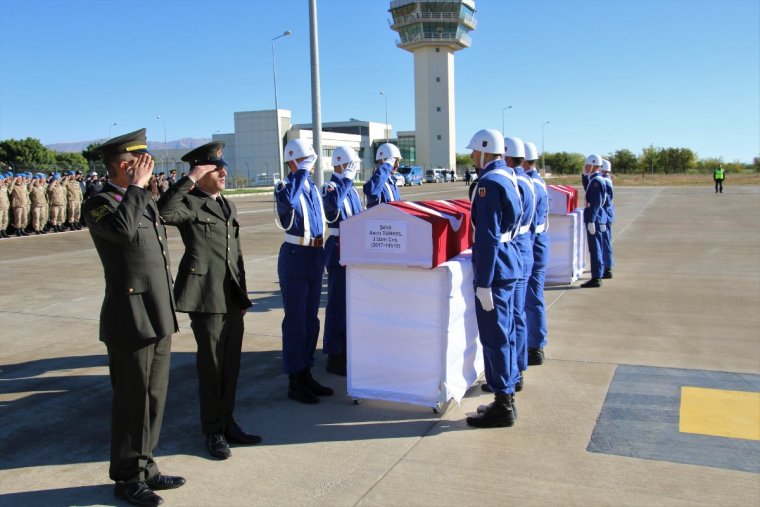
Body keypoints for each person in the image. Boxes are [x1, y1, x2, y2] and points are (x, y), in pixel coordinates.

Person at [83, 128, 184, 507]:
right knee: (132, 401)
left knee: (155, 397)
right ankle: (127, 477)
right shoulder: (99, 203)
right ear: (122, 165)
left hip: (158, 312)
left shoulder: (142, 200)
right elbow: (123, 234)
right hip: (129, 316)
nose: (147, 166)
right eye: (138, 161)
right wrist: (138, 189)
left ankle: (147, 467)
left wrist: (142, 191)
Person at [158, 141, 261, 461]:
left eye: (223, 167)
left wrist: (242, 294)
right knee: (211, 367)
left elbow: (236, 255)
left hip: (230, 297)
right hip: (205, 297)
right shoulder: (189, 202)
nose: (223, 172)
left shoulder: (226, 204)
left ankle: (228, 422)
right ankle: (212, 430)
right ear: (200, 172)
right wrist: (188, 179)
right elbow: (163, 212)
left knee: (230, 366)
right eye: (215, 168)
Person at [466, 129, 522, 428]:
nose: (473, 157)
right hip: (510, 262)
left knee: (495, 338)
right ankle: (507, 391)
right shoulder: (510, 176)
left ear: (486, 151)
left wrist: (484, 281)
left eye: (475, 152)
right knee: (507, 334)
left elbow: (487, 236)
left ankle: (503, 404)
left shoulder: (488, 183)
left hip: (496, 268)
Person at [274, 139, 332, 404]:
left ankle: (306, 371)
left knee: (311, 320)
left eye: (312, 160)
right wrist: (298, 173)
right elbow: (287, 206)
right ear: (292, 160)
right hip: (296, 256)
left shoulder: (312, 188)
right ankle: (294, 379)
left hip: (315, 255)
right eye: (306, 160)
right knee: (296, 321)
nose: (311, 165)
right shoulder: (286, 186)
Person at [321, 146, 363, 376]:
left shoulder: (351, 188)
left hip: (354, 246)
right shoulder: (331, 186)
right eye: (350, 164)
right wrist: (346, 178)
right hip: (338, 246)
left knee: (352, 303)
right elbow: (333, 208)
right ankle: (334, 355)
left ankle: (348, 349)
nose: (353, 169)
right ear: (340, 164)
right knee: (338, 304)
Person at [506, 136, 534, 391]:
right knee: (518, 313)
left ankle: (514, 373)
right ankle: (518, 368)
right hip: (524, 246)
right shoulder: (528, 181)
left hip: (515, 247)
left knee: (512, 315)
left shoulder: (514, 182)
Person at [523, 142, 550, 366]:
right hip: (539, 243)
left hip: (532, 245)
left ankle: (535, 346)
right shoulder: (537, 181)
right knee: (534, 298)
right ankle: (536, 343)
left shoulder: (529, 183)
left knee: (532, 299)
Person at [580, 153, 608, 288]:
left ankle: (596, 277)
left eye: (587, 165)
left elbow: (596, 202)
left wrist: (591, 220)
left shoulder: (596, 181)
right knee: (596, 247)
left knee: (594, 248)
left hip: (594, 217)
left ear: (592, 165)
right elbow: (587, 189)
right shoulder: (595, 179)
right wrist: (584, 175)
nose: (585, 167)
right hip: (597, 216)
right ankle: (598, 273)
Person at [363, 143, 401, 208]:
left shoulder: (392, 181)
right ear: (382, 161)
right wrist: (386, 167)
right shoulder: (375, 182)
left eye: (398, 161)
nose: (397, 165)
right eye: (394, 161)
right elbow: (372, 191)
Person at [600, 159, 615, 279]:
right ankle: (607, 264)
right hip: (608, 213)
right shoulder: (607, 179)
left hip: (604, 214)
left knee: (605, 241)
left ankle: (608, 267)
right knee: (606, 241)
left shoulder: (603, 181)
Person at [0, 173, 10, 238]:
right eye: (1, 180)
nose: (2, 181)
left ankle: (4, 231)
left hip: (5, 205)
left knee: (5, 219)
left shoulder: (4, 186)